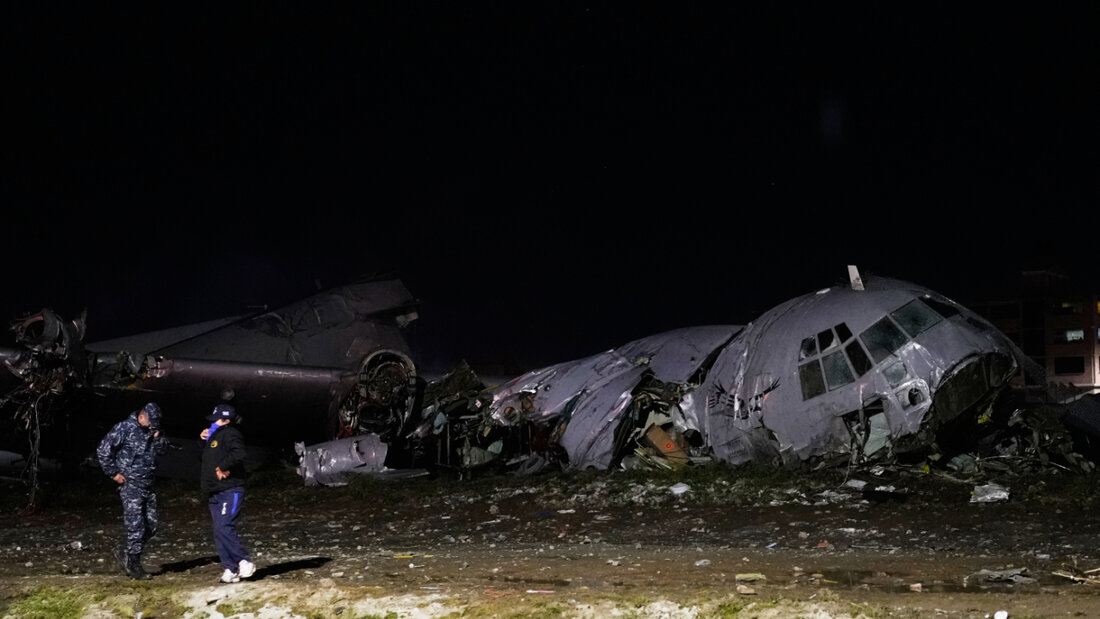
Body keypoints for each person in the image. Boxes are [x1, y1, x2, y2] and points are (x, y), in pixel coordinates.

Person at [96, 401, 166, 580]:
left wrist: (158, 438)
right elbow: (103, 450)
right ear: (142, 416)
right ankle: (134, 565)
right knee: (136, 526)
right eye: (150, 422)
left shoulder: (153, 429)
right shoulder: (124, 427)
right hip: (131, 485)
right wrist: (113, 473)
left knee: (152, 525)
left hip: (148, 484)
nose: (152, 426)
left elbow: (163, 450)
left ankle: (126, 553)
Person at [200, 403, 256, 583]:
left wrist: (222, 466)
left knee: (225, 526)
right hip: (214, 490)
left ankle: (244, 561)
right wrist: (205, 439)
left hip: (230, 488)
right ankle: (230, 568)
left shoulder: (231, 433)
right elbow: (208, 458)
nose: (213, 422)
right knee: (218, 530)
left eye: (216, 419)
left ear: (225, 420)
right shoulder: (214, 434)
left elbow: (239, 453)